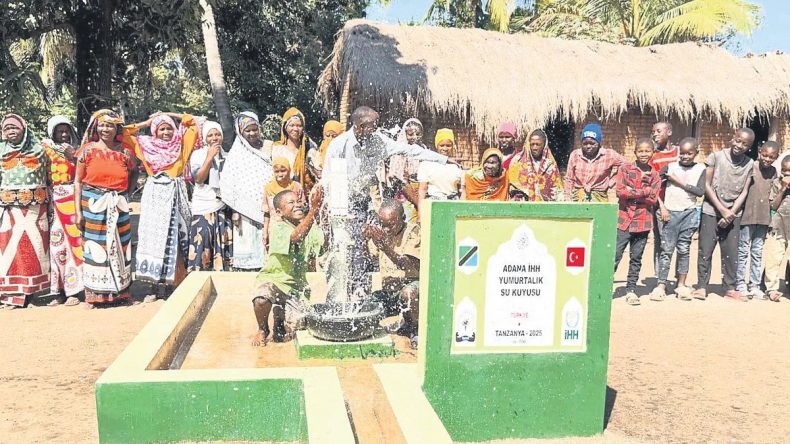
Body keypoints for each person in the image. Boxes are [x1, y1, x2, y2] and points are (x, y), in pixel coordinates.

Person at [322, 106, 455, 301]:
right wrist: (336, 213)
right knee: (342, 247)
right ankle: (336, 298)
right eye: (372, 125)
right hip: (340, 201)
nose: (376, 128)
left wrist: (443, 159)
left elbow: (410, 150)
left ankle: (360, 292)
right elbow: (328, 181)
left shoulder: (378, 141)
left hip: (363, 200)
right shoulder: (339, 146)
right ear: (359, 126)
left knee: (364, 243)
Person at [130, 112, 198, 300]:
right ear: (154, 131)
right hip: (154, 197)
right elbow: (124, 133)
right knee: (153, 238)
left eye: (169, 128)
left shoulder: (181, 145)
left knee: (175, 238)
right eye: (161, 129)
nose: (166, 132)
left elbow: (193, 124)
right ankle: (152, 287)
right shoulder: (145, 146)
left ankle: (171, 285)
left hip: (176, 196)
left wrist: (168, 114)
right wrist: (146, 122)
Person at [74, 109, 138, 307]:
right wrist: (78, 212)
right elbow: (77, 181)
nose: (105, 129)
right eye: (102, 125)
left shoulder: (125, 152)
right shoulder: (87, 150)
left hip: (118, 204)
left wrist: (126, 193)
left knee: (121, 247)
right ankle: (95, 295)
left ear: (117, 129)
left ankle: (121, 294)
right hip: (92, 204)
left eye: (110, 125)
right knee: (95, 248)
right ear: (96, 128)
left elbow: (135, 171)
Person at [251, 187, 324, 346]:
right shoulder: (279, 227)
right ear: (279, 212)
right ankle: (263, 329)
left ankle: (280, 315)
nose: (297, 205)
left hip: (296, 289)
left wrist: (323, 214)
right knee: (261, 299)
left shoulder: (309, 226)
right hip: (274, 282)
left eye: (298, 201)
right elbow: (297, 237)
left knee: (298, 325)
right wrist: (314, 210)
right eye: (291, 202)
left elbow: (323, 245)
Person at [692, 128, 755, 301]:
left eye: (745, 144)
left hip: (734, 213)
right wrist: (722, 210)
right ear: (733, 138)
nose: (739, 145)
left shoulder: (750, 164)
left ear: (749, 147)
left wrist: (731, 213)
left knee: (731, 252)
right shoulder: (716, 157)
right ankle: (702, 286)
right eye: (738, 140)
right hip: (711, 210)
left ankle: (729, 288)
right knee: (705, 249)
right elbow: (706, 184)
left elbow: (744, 191)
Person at [0, 114, 50, 308]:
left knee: (33, 251)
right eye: (7, 128)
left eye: (15, 127)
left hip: (35, 210)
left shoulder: (40, 150)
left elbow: (50, 176)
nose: (11, 131)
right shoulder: (1, 150)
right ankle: (11, 295)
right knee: (9, 250)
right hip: (9, 209)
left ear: (24, 129)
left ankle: (31, 294)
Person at [651, 137, 706, 301]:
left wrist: (678, 182)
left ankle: (681, 285)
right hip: (670, 213)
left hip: (689, 213)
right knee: (666, 250)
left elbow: (700, 191)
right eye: (682, 153)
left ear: (696, 153)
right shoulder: (671, 167)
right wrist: (662, 206)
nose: (685, 156)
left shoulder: (700, 169)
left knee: (684, 249)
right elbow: (654, 185)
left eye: (689, 153)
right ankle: (661, 285)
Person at [366, 199, 421, 349]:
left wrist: (385, 247)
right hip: (390, 291)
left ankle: (416, 330)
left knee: (408, 293)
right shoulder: (381, 232)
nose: (386, 229)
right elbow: (369, 258)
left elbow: (405, 264)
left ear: (403, 218)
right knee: (366, 306)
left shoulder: (413, 232)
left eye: (390, 225)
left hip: (410, 289)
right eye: (382, 224)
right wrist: (365, 239)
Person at [41, 115, 84, 305]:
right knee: (56, 245)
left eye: (67, 131)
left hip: (73, 200)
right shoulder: (44, 149)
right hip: (52, 201)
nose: (64, 135)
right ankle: (59, 291)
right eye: (60, 131)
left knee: (74, 244)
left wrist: (73, 156)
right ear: (53, 132)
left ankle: (75, 290)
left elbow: (84, 174)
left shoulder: (78, 150)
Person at [614, 138, 661, 306]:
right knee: (615, 255)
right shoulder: (625, 169)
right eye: (640, 151)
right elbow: (620, 192)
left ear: (652, 153)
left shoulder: (655, 175)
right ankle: (604, 287)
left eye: (647, 151)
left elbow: (652, 199)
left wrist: (633, 191)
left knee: (636, 258)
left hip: (643, 222)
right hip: (624, 219)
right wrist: (644, 191)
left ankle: (631, 290)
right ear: (635, 152)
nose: (644, 154)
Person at [225, 112, 273, 271]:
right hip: (243, 208)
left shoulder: (267, 147)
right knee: (247, 239)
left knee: (267, 239)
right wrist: (235, 210)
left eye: (255, 129)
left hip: (266, 204)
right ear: (240, 131)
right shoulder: (236, 153)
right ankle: (247, 270)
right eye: (248, 130)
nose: (252, 133)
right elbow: (231, 183)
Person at [187, 121, 233, 271]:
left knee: (222, 248)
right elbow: (198, 179)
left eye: (217, 134)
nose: (214, 138)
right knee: (202, 246)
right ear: (205, 138)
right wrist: (209, 157)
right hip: (203, 207)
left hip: (222, 207)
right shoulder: (198, 155)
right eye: (210, 135)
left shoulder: (228, 156)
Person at [737, 141, 779, 299]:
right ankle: (740, 284)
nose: (767, 159)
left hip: (763, 218)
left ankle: (754, 285)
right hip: (747, 216)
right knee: (743, 251)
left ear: (776, 157)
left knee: (757, 252)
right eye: (765, 155)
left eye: (771, 157)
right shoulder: (751, 167)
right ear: (759, 152)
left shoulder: (773, 172)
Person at [564, 123, 625, 202]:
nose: (588, 146)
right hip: (578, 197)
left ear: (598, 143)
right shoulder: (575, 155)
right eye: (585, 143)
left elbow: (626, 165)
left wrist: (613, 179)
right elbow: (569, 178)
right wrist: (567, 197)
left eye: (592, 143)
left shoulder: (609, 155)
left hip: (599, 197)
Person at [650, 122, 680, 274]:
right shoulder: (653, 156)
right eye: (653, 132)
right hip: (662, 205)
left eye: (658, 131)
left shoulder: (680, 153)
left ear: (669, 132)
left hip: (680, 204)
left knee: (681, 243)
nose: (655, 134)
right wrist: (661, 206)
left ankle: (679, 276)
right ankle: (660, 276)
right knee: (662, 241)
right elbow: (652, 185)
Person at [506, 129, 564, 201]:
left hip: (546, 206)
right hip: (522, 205)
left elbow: (557, 191)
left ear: (544, 145)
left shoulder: (550, 165)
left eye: (538, 144)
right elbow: (513, 189)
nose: (534, 148)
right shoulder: (517, 162)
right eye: (532, 144)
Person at [272, 107, 319, 193]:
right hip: (282, 193)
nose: (296, 129)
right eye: (292, 125)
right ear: (285, 127)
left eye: (299, 126)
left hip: (303, 195)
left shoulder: (309, 150)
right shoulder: (277, 149)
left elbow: (317, 174)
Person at [763, 154, 790, 302]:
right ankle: (771, 288)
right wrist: (783, 189)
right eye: (784, 170)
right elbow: (773, 206)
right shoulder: (777, 183)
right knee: (774, 257)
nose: (787, 174)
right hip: (778, 226)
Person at [417, 128, 464, 211]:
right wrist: (421, 214)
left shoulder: (457, 166)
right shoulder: (426, 165)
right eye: (442, 145)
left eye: (448, 145)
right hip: (434, 205)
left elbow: (462, 191)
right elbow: (422, 191)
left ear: (453, 146)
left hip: (453, 205)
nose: (445, 149)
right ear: (436, 145)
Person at [265, 156, 305, 222]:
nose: (280, 174)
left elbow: (302, 208)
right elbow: (266, 212)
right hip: (275, 224)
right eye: (276, 171)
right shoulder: (268, 188)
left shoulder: (296, 186)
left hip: (294, 225)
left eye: (283, 171)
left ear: (289, 170)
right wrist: (265, 228)